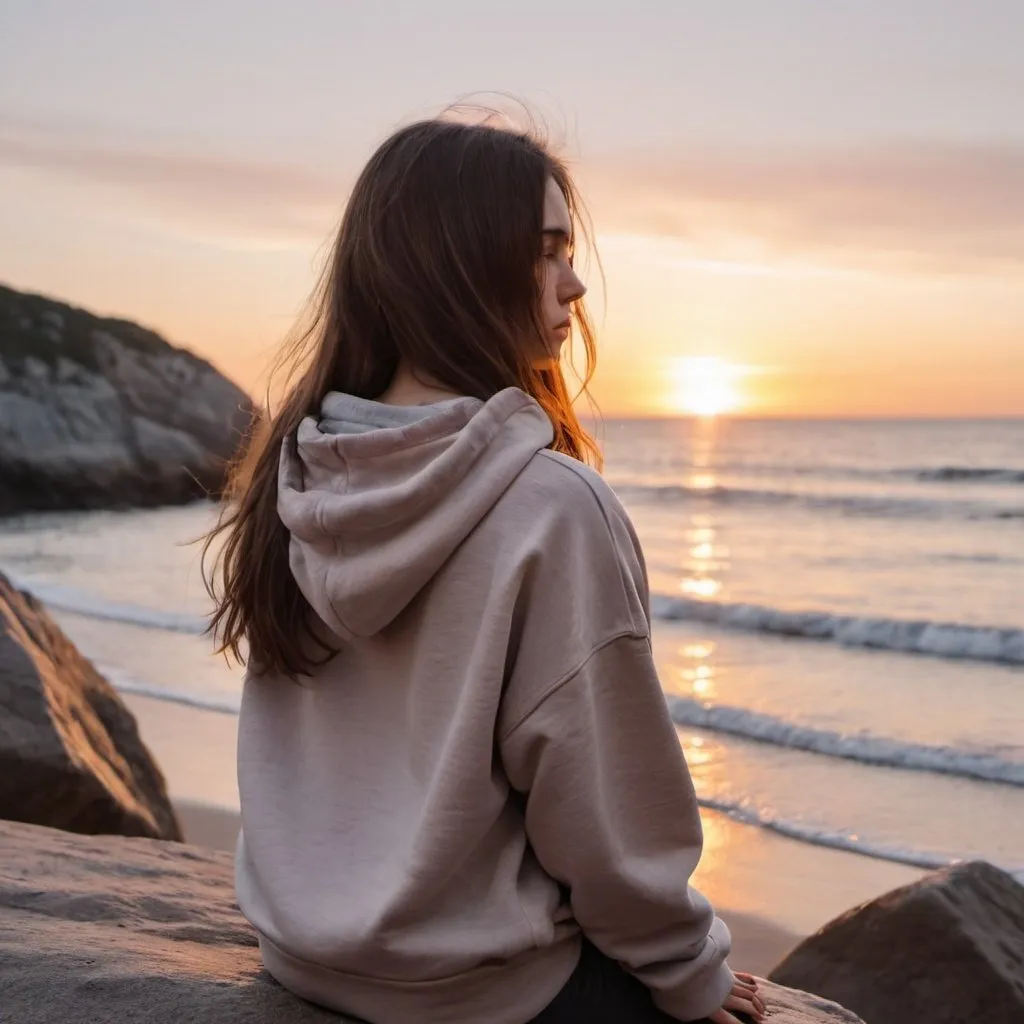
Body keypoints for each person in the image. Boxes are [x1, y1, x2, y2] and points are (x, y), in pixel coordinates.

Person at [203, 115, 765, 1024]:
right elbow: (604, 817)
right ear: (457, 266)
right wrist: (689, 972)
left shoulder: (300, 473)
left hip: (302, 955)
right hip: (476, 991)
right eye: (547, 253)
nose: (575, 285)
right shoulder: (552, 508)